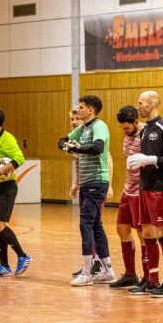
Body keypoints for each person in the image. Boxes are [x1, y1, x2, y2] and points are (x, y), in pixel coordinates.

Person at [58, 95, 114, 286]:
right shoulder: (82, 128)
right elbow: (63, 140)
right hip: (87, 182)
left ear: (90, 110)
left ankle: (87, 273)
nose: (78, 110)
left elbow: (98, 147)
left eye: (81, 107)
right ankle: (108, 271)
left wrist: (78, 147)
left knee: (86, 223)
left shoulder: (99, 126)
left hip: (97, 181)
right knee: (96, 225)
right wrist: (66, 146)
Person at [128, 91, 163, 296]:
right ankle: (151, 280)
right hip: (144, 186)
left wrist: (152, 160)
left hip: (160, 188)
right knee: (147, 232)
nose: (138, 106)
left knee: (162, 232)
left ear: (152, 104)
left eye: (141, 103)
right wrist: (137, 161)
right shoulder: (144, 130)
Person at [0, 107, 32, 277]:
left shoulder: (8, 139)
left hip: (6, 188)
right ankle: (4, 266)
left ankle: (23, 256)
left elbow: (19, 159)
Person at [110, 105, 145, 289]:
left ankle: (148, 276)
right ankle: (130, 274)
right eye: (122, 128)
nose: (124, 131)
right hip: (128, 189)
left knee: (142, 233)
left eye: (127, 128)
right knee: (122, 229)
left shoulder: (146, 134)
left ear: (136, 122)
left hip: (141, 191)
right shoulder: (127, 135)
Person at [68, 106, 103, 278]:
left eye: (77, 118)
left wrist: (110, 185)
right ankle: (94, 262)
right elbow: (80, 163)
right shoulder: (77, 138)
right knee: (91, 224)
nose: (74, 122)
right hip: (85, 184)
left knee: (92, 224)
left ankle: (98, 263)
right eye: (71, 119)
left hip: (96, 183)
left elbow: (107, 159)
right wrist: (77, 183)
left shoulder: (93, 134)